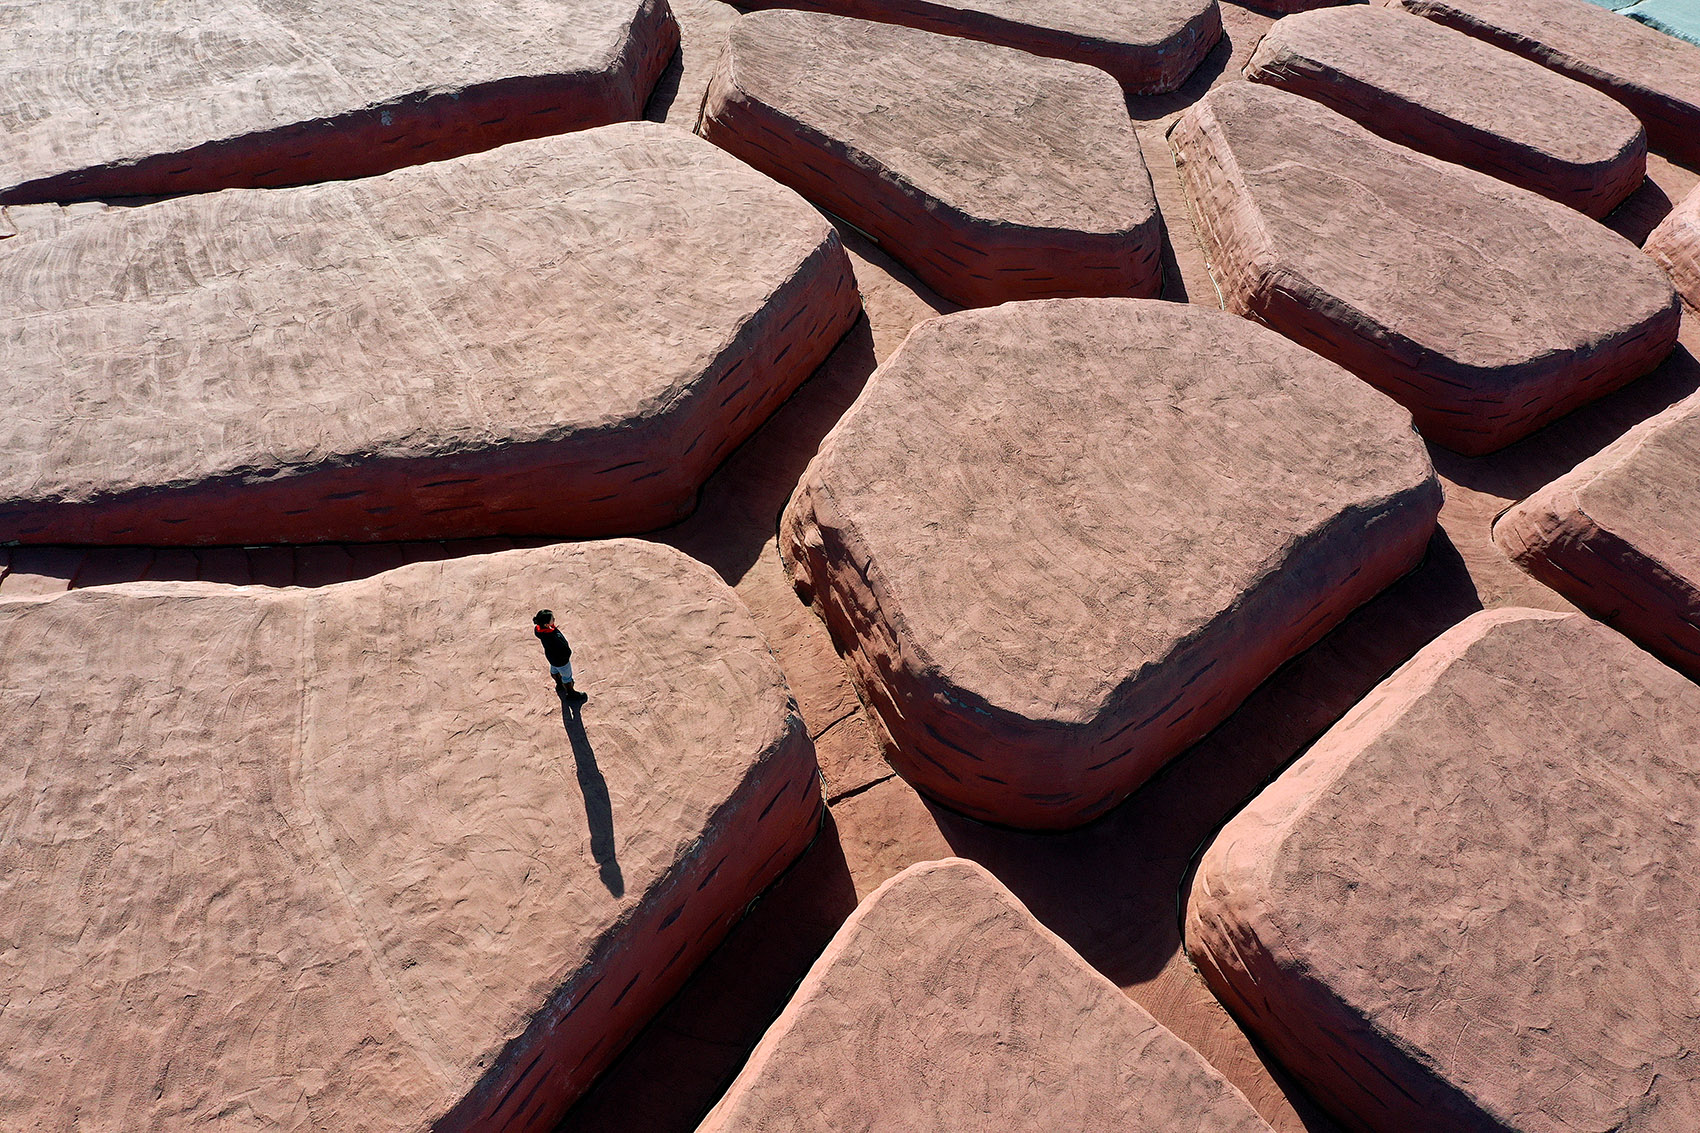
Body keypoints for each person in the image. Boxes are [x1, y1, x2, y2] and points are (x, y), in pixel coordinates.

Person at [534, 610, 586, 702]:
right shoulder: (554, 636)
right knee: (567, 677)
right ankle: (570, 693)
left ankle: (559, 684)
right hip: (562, 661)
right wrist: (567, 655)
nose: (554, 619)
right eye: (551, 619)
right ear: (546, 624)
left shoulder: (539, 631)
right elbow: (565, 649)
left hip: (551, 658)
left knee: (554, 670)